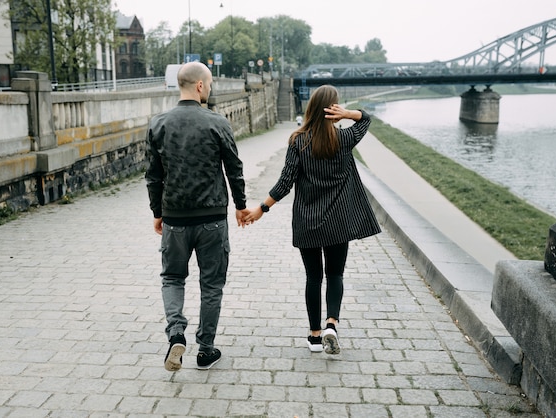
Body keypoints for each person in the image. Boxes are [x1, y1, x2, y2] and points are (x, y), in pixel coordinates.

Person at [244, 85, 381, 354]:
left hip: (308, 221)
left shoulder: (298, 141)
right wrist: (349, 113)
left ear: (311, 108)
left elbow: (285, 183)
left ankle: (315, 336)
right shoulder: (345, 139)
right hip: (339, 222)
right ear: (333, 110)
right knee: (335, 274)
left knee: (313, 277)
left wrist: (262, 208)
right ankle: (331, 323)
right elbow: (366, 119)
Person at [145, 61, 249, 371]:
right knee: (212, 285)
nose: (212, 87)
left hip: (175, 218)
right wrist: (241, 205)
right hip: (213, 218)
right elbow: (234, 168)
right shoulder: (217, 123)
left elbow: (153, 175)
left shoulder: (158, 124)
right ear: (200, 86)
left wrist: (157, 213)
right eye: (211, 82)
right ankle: (205, 350)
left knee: (173, 278)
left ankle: (176, 332)